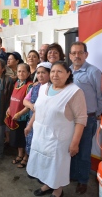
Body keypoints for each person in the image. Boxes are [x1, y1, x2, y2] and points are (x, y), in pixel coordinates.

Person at [26, 61, 87, 197]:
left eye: (59, 71)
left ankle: (57, 190)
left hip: (59, 139)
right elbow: (39, 109)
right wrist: (30, 125)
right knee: (44, 163)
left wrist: (75, 143)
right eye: (53, 71)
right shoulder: (44, 88)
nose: (55, 75)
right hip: (41, 136)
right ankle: (47, 184)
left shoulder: (74, 92)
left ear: (68, 74)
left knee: (56, 165)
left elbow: (81, 120)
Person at [69, 41, 102, 194]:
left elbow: (101, 95)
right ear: (70, 56)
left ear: (86, 54)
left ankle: (83, 180)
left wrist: (99, 113)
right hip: (69, 118)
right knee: (71, 148)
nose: (77, 56)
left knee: (84, 151)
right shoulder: (68, 71)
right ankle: (73, 175)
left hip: (87, 119)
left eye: (80, 52)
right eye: (74, 53)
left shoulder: (94, 72)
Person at [22, 62, 51, 169]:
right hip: (32, 120)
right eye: (38, 73)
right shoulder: (35, 87)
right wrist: (32, 106)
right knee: (31, 143)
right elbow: (25, 101)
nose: (40, 75)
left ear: (49, 74)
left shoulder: (51, 88)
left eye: (43, 72)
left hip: (44, 123)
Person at [6, 63, 33, 167]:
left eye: (23, 71)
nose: (21, 73)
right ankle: (20, 155)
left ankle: (26, 157)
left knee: (24, 138)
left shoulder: (30, 85)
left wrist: (20, 113)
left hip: (23, 116)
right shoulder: (17, 82)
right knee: (17, 137)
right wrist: (9, 108)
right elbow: (13, 97)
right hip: (15, 115)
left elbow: (29, 104)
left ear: (28, 73)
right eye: (19, 71)